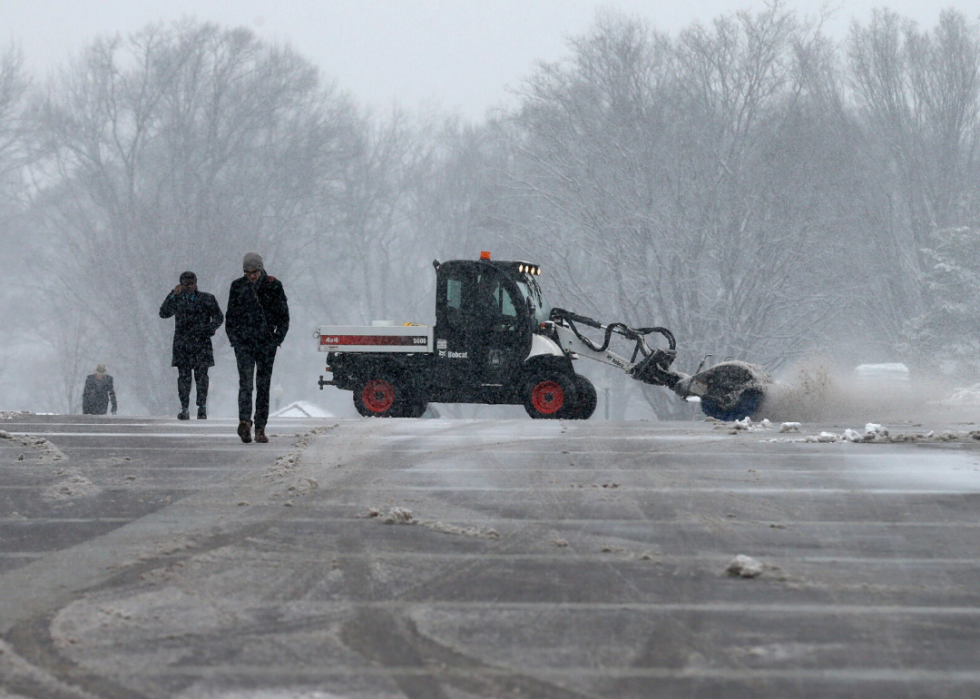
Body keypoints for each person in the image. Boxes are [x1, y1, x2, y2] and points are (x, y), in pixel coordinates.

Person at [225, 252, 289, 443]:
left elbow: (283, 316)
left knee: (263, 386)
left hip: (266, 344)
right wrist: (234, 339)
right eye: (247, 272)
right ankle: (245, 422)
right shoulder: (237, 286)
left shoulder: (273, 285)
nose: (251, 275)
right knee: (245, 384)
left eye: (254, 271)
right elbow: (231, 315)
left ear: (261, 269)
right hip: (244, 344)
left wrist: (277, 339)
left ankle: (260, 427)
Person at [159, 271, 224, 420]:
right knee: (184, 378)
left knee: (202, 378)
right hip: (183, 344)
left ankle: (201, 407)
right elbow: (163, 313)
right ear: (180, 285)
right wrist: (171, 295)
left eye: (191, 284)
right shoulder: (177, 299)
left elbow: (219, 317)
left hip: (202, 343)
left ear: (196, 283)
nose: (189, 287)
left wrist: (209, 328)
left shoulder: (207, 299)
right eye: (186, 284)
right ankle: (185, 408)